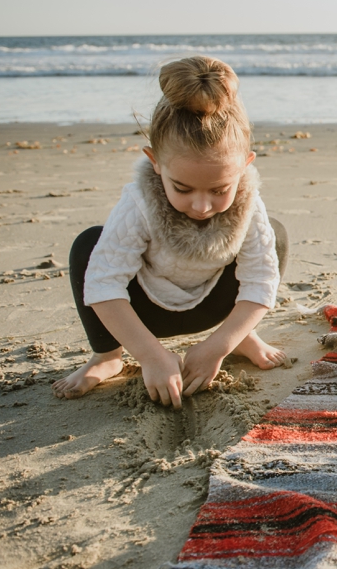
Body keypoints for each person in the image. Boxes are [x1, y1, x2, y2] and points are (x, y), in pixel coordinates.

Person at [53, 56, 287, 408]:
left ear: (245, 164)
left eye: (219, 189)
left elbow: (260, 282)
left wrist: (218, 346)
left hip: (213, 306)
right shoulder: (138, 202)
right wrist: (149, 356)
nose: (202, 206)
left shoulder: (249, 203)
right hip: (144, 315)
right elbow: (103, 283)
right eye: (183, 188)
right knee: (89, 244)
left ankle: (240, 337)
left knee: (275, 234)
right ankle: (107, 358)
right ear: (155, 162)